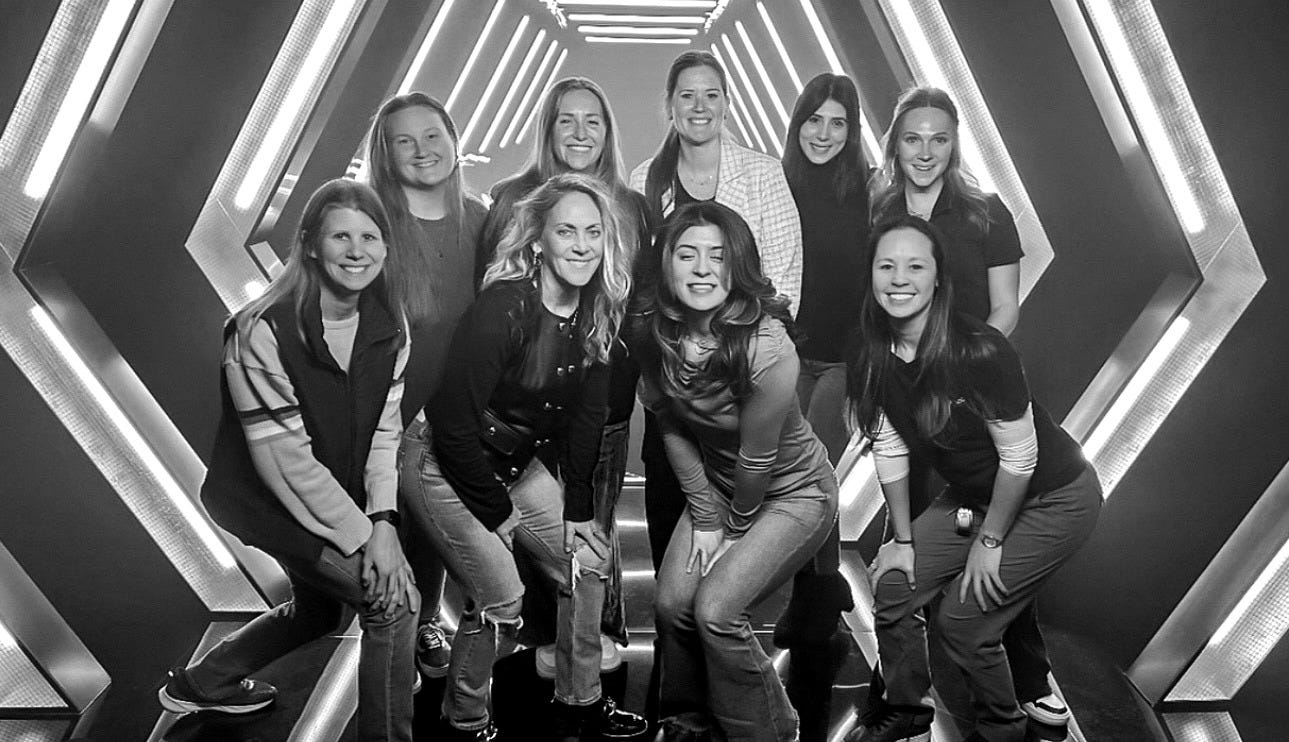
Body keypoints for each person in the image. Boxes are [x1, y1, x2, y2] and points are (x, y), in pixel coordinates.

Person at [163, 179, 419, 741]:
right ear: (310, 245)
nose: (356, 251)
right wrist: (367, 538)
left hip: (333, 496)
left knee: (320, 611)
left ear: (385, 247)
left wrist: (384, 522)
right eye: (340, 236)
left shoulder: (389, 327)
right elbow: (286, 463)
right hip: (269, 504)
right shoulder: (259, 331)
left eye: (369, 237)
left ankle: (204, 683)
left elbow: (385, 434)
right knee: (395, 604)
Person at [400, 173, 647, 742]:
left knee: (589, 560)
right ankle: (464, 720)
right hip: (440, 463)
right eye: (566, 231)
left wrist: (579, 511)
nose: (582, 246)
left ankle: (580, 700)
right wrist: (498, 512)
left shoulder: (598, 311)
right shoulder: (504, 308)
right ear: (538, 241)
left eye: (593, 232)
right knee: (503, 600)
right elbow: (452, 425)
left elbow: (587, 421)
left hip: (511, 463)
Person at [843, 217, 1100, 742]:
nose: (899, 278)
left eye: (915, 266)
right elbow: (890, 446)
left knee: (963, 621)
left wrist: (990, 541)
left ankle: (1001, 728)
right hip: (973, 497)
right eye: (886, 265)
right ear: (870, 274)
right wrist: (902, 540)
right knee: (893, 587)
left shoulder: (979, 350)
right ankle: (906, 709)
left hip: (1055, 498)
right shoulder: (869, 351)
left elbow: (1020, 459)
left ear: (938, 277)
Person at [868, 86, 1065, 729]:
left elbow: (1006, 308)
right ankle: (900, 688)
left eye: (939, 139)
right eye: (912, 138)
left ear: (955, 144)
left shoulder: (985, 212)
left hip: (973, 394)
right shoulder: (880, 208)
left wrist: (961, 371)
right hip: (906, 388)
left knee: (990, 522)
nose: (925, 152)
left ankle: (1029, 676)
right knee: (905, 537)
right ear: (895, 145)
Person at [634, 201, 837, 742]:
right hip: (723, 488)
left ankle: (771, 730)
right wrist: (706, 518)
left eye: (718, 256)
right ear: (666, 264)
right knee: (672, 604)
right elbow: (670, 425)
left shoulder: (768, 346)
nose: (702, 269)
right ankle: (686, 718)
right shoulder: (654, 332)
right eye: (687, 254)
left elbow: (758, 459)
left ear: (738, 265)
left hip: (795, 493)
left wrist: (734, 530)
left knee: (717, 610)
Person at [478, 77, 651, 667]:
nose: (580, 133)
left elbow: (640, 303)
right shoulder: (510, 198)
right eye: (566, 120)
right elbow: (489, 297)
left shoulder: (630, 206)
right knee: (532, 525)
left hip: (601, 393)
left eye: (592, 121)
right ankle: (543, 635)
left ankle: (594, 635)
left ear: (608, 132)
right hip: (519, 403)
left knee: (591, 515)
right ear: (547, 129)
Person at [629, 49, 803, 575]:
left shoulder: (763, 173)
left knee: (745, 517)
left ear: (727, 103)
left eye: (711, 94)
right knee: (669, 502)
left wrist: (733, 357)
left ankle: (727, 604)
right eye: (687, 95)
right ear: (670, 105)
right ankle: (674, 608)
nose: (699, 106)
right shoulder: (645, 179)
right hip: (672, 370)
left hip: (739, 373)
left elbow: (784, 282)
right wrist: (671, 358)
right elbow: (642, 283)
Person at [365, 91, 488, 682]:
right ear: (385, 154)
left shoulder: (480, 220)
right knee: (392, 542)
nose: (422, 151)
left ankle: (427, 627)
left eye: (433, 135)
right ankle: (401, 650)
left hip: (458, 415)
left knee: (439, 530)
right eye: (404, 141)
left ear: (454, 141)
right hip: (385, 418)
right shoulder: (373, 226)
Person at [773, 71, 870, 742]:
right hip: (783, 355)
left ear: (851, 131)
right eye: (815, 119)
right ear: (798, 121)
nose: (824, 133)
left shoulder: (868, 193)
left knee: (814, 475)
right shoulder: (775, 185)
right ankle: (815, 594)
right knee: (794, 477)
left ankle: (819, 596)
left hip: (840, 359)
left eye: (838, 123)